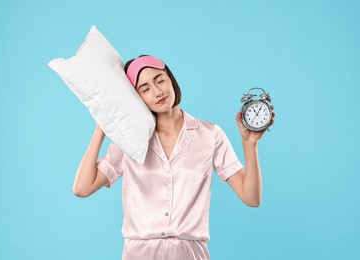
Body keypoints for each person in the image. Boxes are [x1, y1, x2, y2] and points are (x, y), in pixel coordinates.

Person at [72, 55, 275, 260]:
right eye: (145, 88)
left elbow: (251, 198)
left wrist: (250, 144)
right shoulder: (129, 141)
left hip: (190, 253)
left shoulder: (209, 135)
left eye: (160, 80)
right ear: (136, 97)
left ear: (171, 79)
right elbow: (82, 188)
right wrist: (102, 128)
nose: (158, 91)